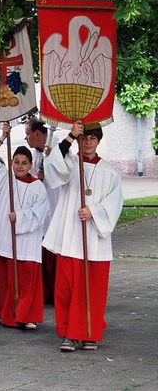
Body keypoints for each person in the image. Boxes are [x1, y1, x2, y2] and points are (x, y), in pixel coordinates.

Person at [42, 120, 123, 352]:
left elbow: (114, 203)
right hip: (71, 236)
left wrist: (94, 211)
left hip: (95, 240)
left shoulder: (109, 171)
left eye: (92, 138)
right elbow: (52, 169)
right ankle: (68, 334)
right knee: (67, 288)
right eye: (84, 138)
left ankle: (89, 332)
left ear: (98, 141)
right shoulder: (70, 163)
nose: (88, 142)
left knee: (92, 290)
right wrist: (69, 136)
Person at [0, 123, 49, 330]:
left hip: (27, 242)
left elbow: (41, 213)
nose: (19, 166)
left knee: (26, 280)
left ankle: (26, 315)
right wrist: (3, 137)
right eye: (16, 162)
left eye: (24, 163)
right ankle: (8, 314)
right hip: (7, 241)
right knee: (7, 279)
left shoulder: (38, 186)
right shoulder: (6, 178)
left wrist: (19, 217)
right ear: (11, 162)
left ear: (30, 165)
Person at [25, 117, 60, 304]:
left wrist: (52, 168)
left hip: (55, 208)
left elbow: (66, 173)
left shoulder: (59, 148)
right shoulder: (34, 154)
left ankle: (56, 292)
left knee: (54, 255)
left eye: (27, 134)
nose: (26, 138)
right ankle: (44, 292)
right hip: (40, 213)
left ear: (38, 134)